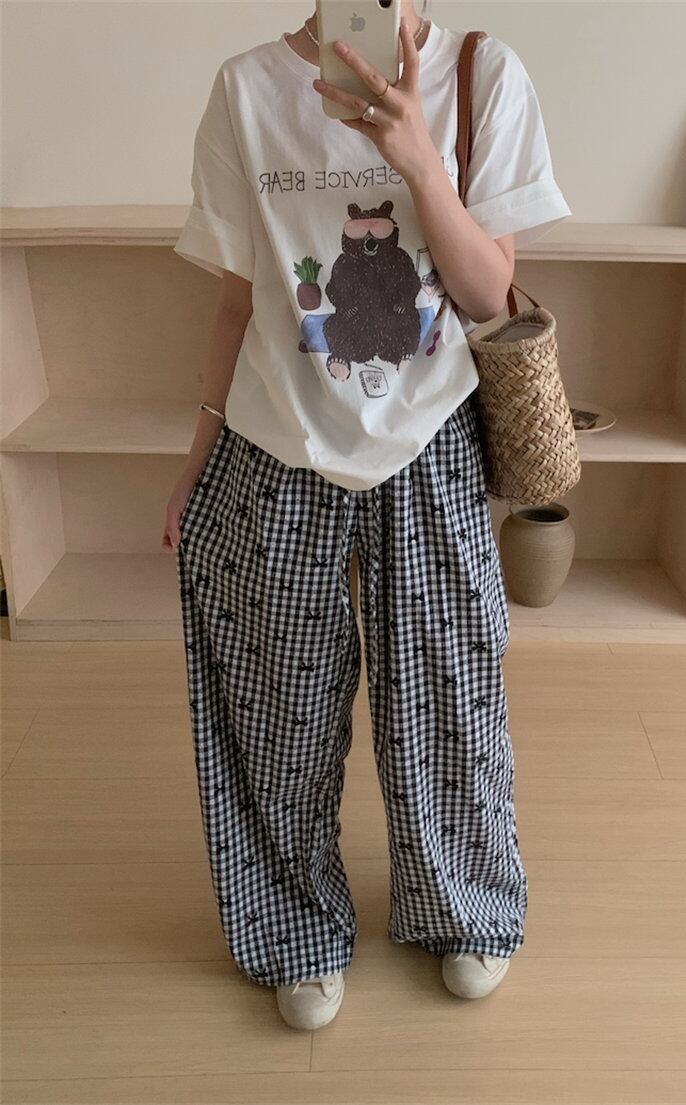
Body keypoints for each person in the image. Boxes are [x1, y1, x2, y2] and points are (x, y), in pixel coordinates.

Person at [162, 0, 571, 1031]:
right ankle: (293, 920)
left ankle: (463, 904)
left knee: (449, 690)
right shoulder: (247, 89)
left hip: (430, 440)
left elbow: (492, 292)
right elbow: (236, 299)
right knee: (277, 704)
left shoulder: (483, 75)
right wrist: (194, 459)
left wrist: (418, 158)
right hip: (274, 440)